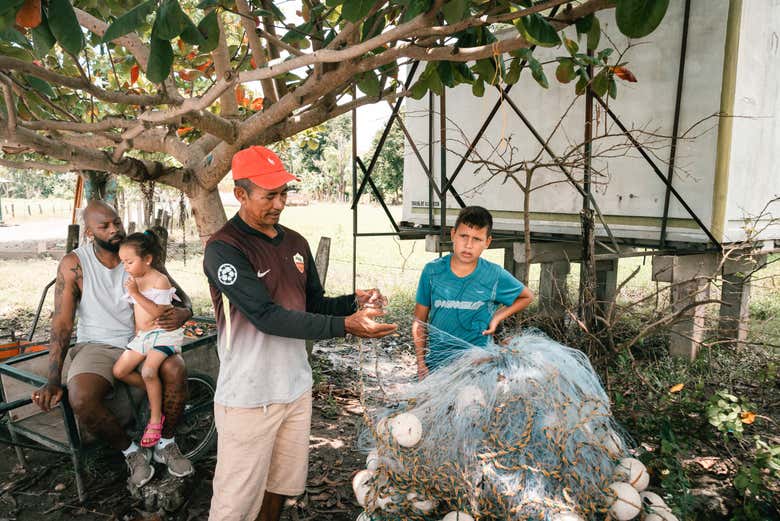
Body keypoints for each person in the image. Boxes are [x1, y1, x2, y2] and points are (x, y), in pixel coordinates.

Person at [203, 146, 397, 521]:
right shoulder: (224, 249)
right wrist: (345, 326)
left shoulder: (295, 243)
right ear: (240, 194)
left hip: (294, 387)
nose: (279, 204)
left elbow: (312, 303)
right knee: (234, 502)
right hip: (249, 395)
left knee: (279, 486)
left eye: (284, 193)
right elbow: (266, 316)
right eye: (269, 195)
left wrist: (352, 303)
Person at [31, 201, 194, 488]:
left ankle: (166, 443)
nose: (114, 230)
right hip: (98, 344)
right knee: (81, 397)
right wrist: (53, 378)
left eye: (116, 222)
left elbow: (179, 296)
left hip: (146, 337)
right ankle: (131, 452)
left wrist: (185, 312)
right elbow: (62, 322)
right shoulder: (74, 264)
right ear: (89, 233)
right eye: (104, 226)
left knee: (176, 369)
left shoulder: (137, 253)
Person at [412, 206, 534, 380]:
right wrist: (420, 363)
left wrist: (497, 317)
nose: (468, 245)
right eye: (464, 236)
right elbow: (419, 321)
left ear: (487, 242)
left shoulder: (494, 275)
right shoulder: (432, 271)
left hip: (478, 367)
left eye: (477, 239)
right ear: (453, 234)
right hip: (438, 365)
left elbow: (527, 296)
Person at [113, 230, 185, 449]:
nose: (125, 267)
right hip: (144, 336)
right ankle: (157, 392)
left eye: (130, 262)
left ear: (147, 259)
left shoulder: (160, 280)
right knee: (120, 371)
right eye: (123, 262)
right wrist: (137, 332)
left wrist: (135, 293)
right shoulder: (135, 279)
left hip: (163, 334)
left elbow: (157, 313)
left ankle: (155, 419)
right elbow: (138, 313)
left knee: (148, 371)